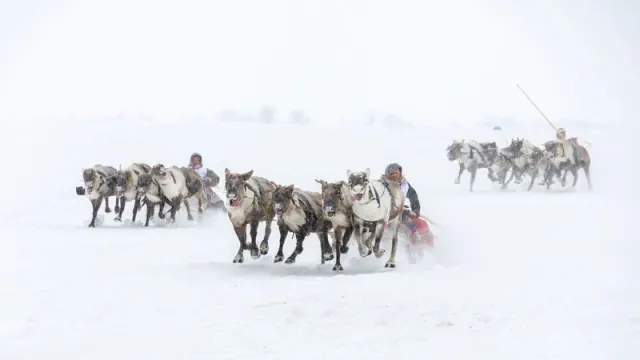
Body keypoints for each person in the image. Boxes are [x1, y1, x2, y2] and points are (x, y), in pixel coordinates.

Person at [383, 163, 433, 247]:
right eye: (392, 174)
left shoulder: (404, 185)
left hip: (400, 212)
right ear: (388, 175)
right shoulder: (382, 185)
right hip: (384, 213)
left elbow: (413, 197)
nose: (395, 176)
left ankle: (415, 246)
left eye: (397, 174)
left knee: (413, 226)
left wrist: (415, 210)